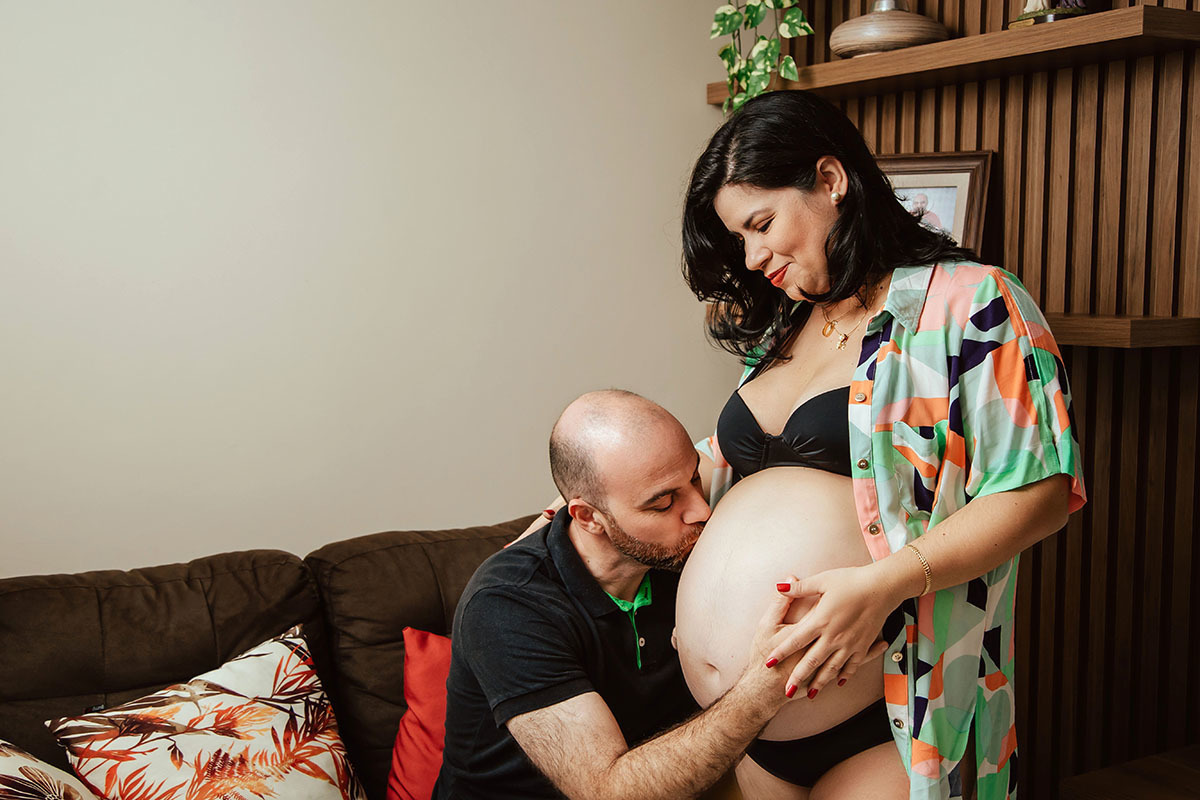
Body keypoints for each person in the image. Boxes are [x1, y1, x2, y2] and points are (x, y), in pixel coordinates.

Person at [678, 89, 1086, 800]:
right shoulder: (786, 326)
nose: (753, 255)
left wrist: (882, 584)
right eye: (739, 238)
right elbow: (734, 462)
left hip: (891, 707)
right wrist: (583, 509)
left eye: (762, 224)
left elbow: (1040, 490)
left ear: (831, 180)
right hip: (747, 730)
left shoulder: (971, 302)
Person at [433, 390, 835, 800]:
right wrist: (763, 688)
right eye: (663, 503)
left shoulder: (677, 554)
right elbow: (607, 791)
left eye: (694, 479)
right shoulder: (507, 606)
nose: (701, 510)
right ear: (589, 517)